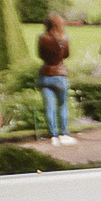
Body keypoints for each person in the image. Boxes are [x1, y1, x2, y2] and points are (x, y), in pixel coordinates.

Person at [37, 14, 74, 146]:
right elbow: (66, 55)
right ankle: (63, 133)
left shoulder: (42, 38)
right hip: (59, 74)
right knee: (62, 105)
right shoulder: (64, 38)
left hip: (45, 74)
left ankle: (53, 135)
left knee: (49, 107)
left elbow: (40, 54)